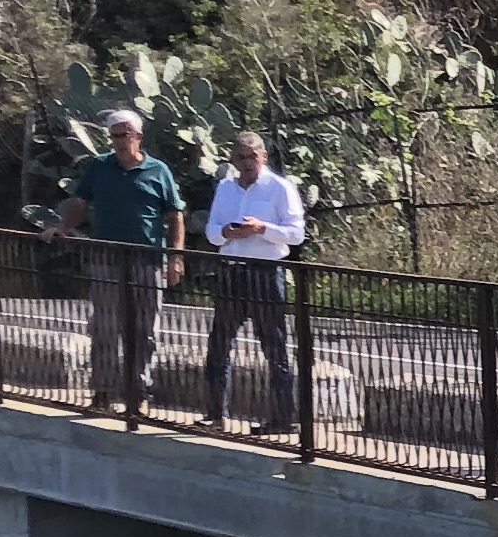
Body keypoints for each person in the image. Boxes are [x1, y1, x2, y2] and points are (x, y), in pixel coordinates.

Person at [44, 107, 186, 415]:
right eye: (115, 136)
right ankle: (103, 392)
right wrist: (63, 228)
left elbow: (175, 216)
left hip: (147, 260)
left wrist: (175, 258)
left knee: (145, 330)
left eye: (126, 135)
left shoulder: (158, 170)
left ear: (138, 137)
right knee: (105, 327)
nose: (120, 142)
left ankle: (139, 394)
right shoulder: (99, 167)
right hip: (107, 258)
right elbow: (80, 202)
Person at [202, 129, 307, 432]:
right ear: (233, 159)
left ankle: (283, 418)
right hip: (232, 271)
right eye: (241, 157)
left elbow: (295, 233)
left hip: (265, 272)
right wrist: (227, 233)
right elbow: (212, 231)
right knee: (219, 343)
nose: (247, 163)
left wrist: (263, 228)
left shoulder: (279, 187)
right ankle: (215, 413)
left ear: (263, 157)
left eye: (252, 157)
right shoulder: (226, 188)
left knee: (274, 345)